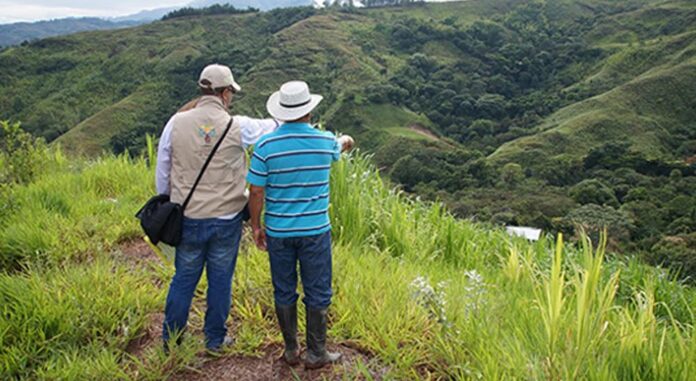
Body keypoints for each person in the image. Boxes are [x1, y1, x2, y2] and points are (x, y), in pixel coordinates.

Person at [156, 64, 279, 353]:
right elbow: (273, 127)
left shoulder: (175, 123)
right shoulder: (239, 126)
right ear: (225, 93)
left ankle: (171, 341)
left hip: (188, 217)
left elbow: (163, 171)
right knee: (220, 280)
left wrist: (169, 204)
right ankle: (214, 339)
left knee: (183, 279)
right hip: (226, 218)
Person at [246, 81, 354, 369]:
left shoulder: (265, 146)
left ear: (281, 112)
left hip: (279, 232)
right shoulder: (323, 141)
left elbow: (256, 191)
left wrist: (256, 226)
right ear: (309, 111)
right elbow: (340, 145)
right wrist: (345, 140)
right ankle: (317, 353)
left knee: (283, 288)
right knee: (318, 289)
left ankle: (291, 350)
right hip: (315, 231)